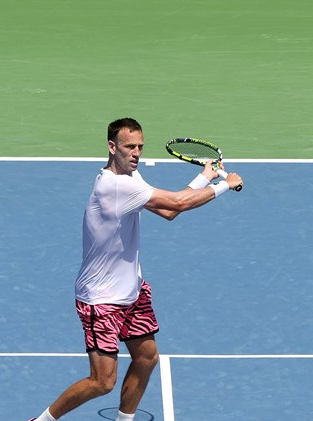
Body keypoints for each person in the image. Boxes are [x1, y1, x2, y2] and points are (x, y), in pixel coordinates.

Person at [29, 118, 243, 421]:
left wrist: (204, 177)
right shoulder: (115, 186)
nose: (137, 152)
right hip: (100, 300)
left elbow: (168, 210)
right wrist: (224, 184)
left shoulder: (130, 177)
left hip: (131, 291)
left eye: (141, 146)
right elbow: (179, 204)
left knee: (146, 357)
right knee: (102, 382)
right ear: (111, 147)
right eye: (130, 147)